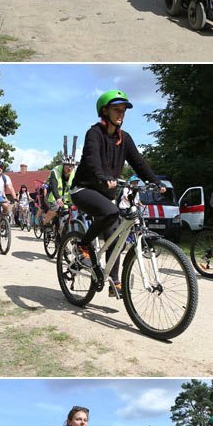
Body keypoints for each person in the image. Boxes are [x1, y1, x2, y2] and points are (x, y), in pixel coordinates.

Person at [71, 89, 163, 297]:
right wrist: (102, 176)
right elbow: (91, 159)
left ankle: (114, 280)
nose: (121, 114)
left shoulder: (125, 138)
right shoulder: (94, 133)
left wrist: (155, 181)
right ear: (104, 111)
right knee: (111, 212)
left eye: (123, 110)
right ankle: (83, 244)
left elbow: (138, 162)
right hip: (84, 188)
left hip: (106, 193)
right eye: (116, 110)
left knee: (116, 231)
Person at [44, 156, 77, 226]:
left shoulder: (74, 173)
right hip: (53, 195)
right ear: (63, 165)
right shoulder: (55, 171)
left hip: (66, 198)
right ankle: (45, 223)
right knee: (55, 207)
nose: (70, 168)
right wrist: (58, 198)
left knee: (71, 210)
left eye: (72, 166)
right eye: (67, 165)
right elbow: (54, 186)